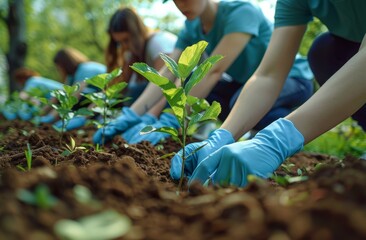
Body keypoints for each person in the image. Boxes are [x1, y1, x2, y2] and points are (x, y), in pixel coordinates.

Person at [170, 0, 366, 188]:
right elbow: (269, 75)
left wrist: (277, 140)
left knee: (323, 51)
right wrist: (222, 136)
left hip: (301, 80)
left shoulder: (239, 12)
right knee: (326, 53)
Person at [93, 0, 314, 145]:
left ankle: (297, 122)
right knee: (211, 95)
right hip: (249, 84)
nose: (182, 4)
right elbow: (168, 74)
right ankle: (263, 127)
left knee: (237, 99)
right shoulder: (191, 27)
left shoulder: (240, 12)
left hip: (293, 78)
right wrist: (135, 113)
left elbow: (214, 70)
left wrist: (172, 117)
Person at [105, 7, 177, 105]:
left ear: (136, 33)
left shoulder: (157, 44)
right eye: (119, 43)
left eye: (126, 40)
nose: (124, 47)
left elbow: (163, 87)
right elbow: (119, 87)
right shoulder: (132, 52)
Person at [40, 47, 107, 129]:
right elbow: (60, 95)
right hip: (98, 99)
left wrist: (82, 118)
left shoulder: (86, 68)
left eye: (59, 67)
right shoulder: (72, 75)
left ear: (65, 64)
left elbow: (75, 95)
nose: (59, 70)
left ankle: (82, 121)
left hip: (108, 98)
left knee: (76, 99)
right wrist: (43, 114)